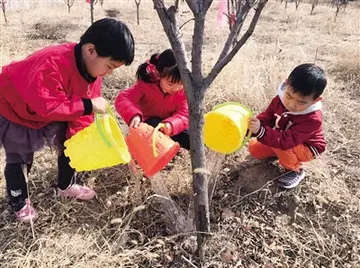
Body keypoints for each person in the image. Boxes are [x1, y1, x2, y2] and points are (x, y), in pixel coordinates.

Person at [0, 18, 135, 222]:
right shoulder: (52, 63)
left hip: (52, 110)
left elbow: (80, 116)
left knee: (70, 142)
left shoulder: (92, 74)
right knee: (19, 155)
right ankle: (19, 201)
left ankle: (66, 186)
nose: (109, 73)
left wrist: (78, 138)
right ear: (91, 51)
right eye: (109, 66)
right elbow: (48, 105)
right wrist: (88, 105)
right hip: (14, 109)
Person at [248, 63, 327, 189]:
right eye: (289, 96)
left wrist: (262, 131)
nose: (291, 104)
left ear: (315, 100)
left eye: (301, 102)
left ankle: (295, 170)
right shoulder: (279, 99)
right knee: (254, 149)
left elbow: (287, 140)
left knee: (281, 145)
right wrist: (251, 129)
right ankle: (280, 155)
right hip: (283, 140)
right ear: (286, 84)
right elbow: (267, 117)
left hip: (307, 148)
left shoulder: (312, 118)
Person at [115, 49, 190, 150]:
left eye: (181, 84)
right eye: (170, 84)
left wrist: (172, 125)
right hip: (149, 125)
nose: (176, 89)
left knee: (191, 138)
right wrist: (134, 115)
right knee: (153, 129)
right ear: (159, 75)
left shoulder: (183, 92)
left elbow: (185, 114)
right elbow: (123, 99)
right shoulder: (146, 85)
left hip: (170, 127)